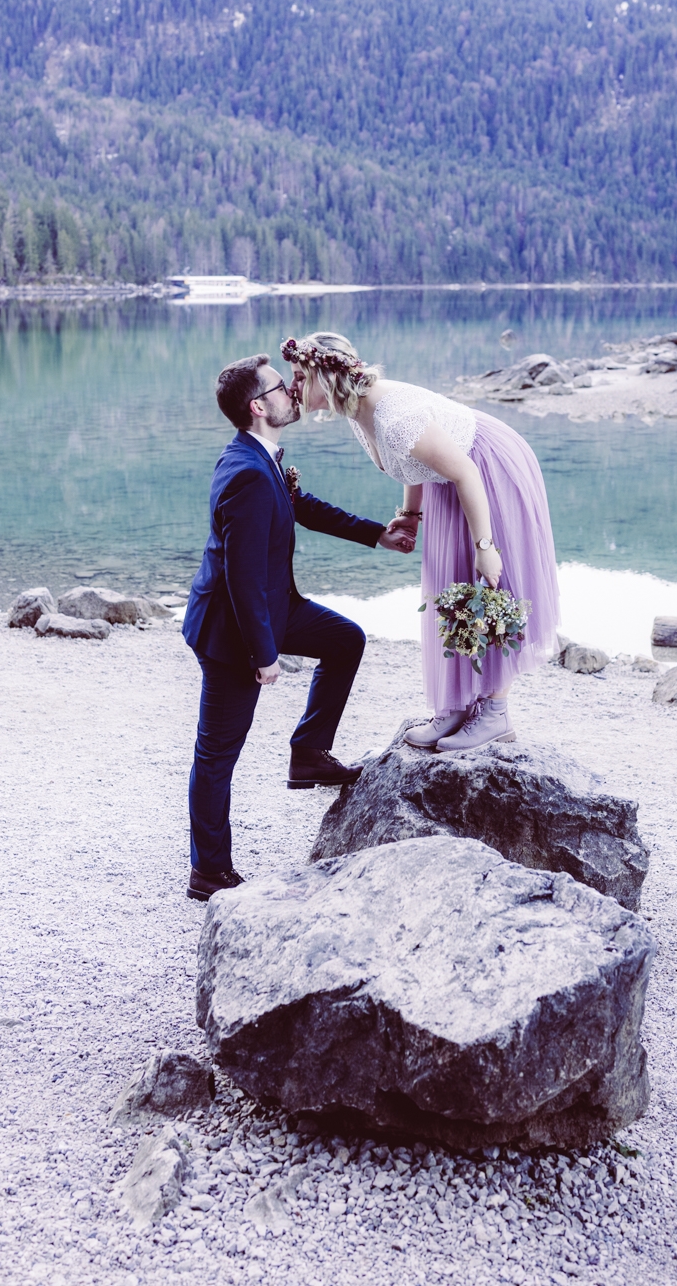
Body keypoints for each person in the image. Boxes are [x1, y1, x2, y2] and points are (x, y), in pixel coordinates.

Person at [181, 353, 412, 901]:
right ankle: (208, 871)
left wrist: (378, 534)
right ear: (259, 407)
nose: (294, 393)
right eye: (281, 388)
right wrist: (265, 656)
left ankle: (308, 753)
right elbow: (239, 577)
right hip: (233, 630)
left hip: (272, 607)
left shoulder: (262, 460)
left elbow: (303, 507)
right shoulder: (245, 475)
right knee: (216, 755)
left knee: (344, 639)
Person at [281, 332, 559, 752]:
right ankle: (457, 705)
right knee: (451, 588)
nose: (294, 387)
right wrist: (410, 516)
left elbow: (465, 471)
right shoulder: (359, 408)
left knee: (486, 587)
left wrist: (485, 546)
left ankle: (496, 713)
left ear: (325, 375)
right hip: (448, 482)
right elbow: (411, 463)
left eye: (301, 376)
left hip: (485, 471)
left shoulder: (391, 415)